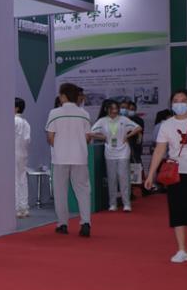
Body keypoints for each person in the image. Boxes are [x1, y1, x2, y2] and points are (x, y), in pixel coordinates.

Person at [144, 89, 187, 263]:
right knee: (177, 211)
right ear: (171, 104)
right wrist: (151, 174)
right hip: (175, 173)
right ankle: (181, 250)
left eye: (183, 100)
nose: (179, 104)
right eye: (176, 100)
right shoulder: (166, 125)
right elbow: (159, 150)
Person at [45, 83, 94, 237]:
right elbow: (88, 137)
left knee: (60, 192)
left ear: (63, 96)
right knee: (83, 191)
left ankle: (63, 224)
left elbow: (50, 137)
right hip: (80, 157)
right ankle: (85, 222)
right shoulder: (84, 113)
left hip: (60, 158)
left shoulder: (54, 113)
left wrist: (60, 145)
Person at [90, 101, 140, 212]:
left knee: (123, 177)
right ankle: (112, 204)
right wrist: (105, 137)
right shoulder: (102, 121)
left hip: (123, 152)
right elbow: (91, 132)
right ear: (107, 109)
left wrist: (128, 136)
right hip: (110, 152)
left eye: (116, 108)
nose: (114, 111)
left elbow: (138, 128)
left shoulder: (123, 119)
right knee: (111, 178)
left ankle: (126, 203)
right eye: (111, 108)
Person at [14, 98, 32, 219]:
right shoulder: (26, 123)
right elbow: (27, 140)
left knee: (14, 180)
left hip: (13, 153)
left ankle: (15, 208)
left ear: (16, 108)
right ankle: (24, 207)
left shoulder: (13, 120)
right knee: (22, 179)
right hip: (23, 153)